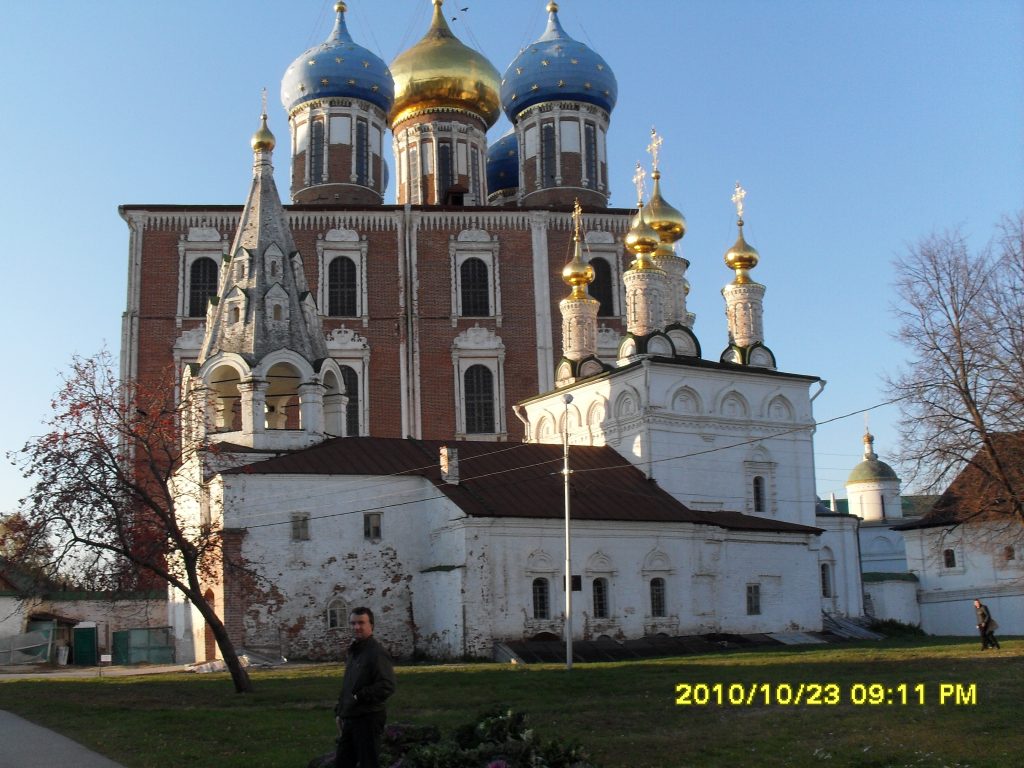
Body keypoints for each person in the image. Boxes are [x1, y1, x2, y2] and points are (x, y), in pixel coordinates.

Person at [334, 607, 396, 768]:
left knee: (369, 763)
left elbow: (386, 685)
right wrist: (340, 712)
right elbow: (349, 684)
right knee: (342, 762)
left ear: (371, 625)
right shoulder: (355, 652)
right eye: (353, 623)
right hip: (351, 717)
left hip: (368, 718)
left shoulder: (376, 653)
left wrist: (359, 697)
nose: (356, 627)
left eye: (361, 623)